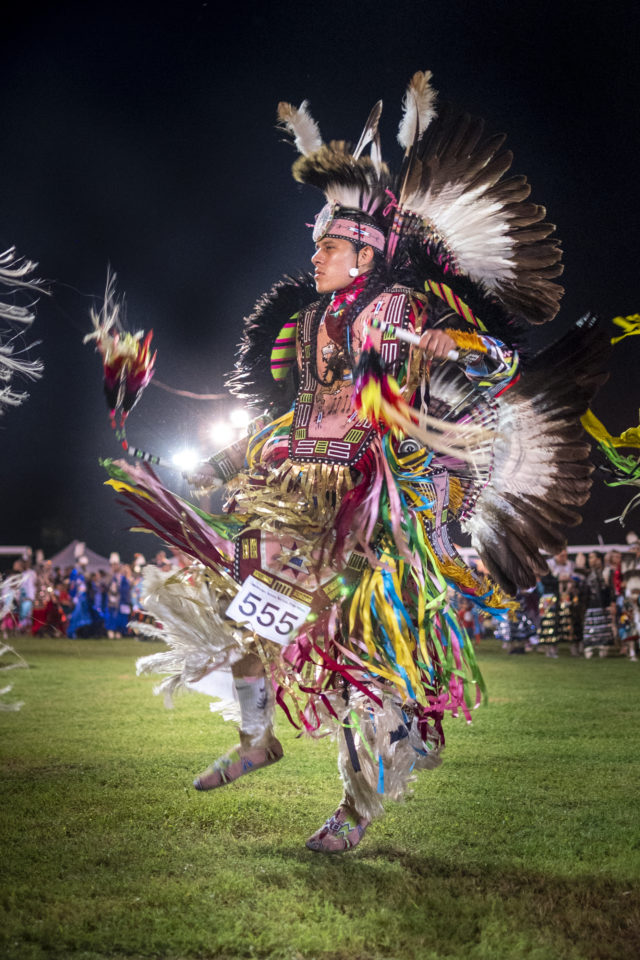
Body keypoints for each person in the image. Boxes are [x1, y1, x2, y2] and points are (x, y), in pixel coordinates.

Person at [100, 72, 608, 852]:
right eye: (317, 244)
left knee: (358, 662)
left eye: (330, 246)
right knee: (244, 619)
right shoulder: (309, 322)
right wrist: (227, 463)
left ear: (365, 253)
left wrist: (452, 341)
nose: (317, 254)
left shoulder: (400, 309)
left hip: (375, 506)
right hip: (301, 494)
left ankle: (358, 803)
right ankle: (256, 738)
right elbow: (297, 414)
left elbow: (504, 363)